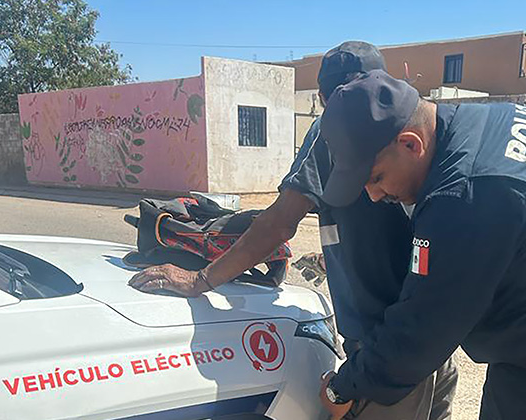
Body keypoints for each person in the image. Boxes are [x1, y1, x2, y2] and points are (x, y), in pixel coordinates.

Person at [129, 41, 457, 420]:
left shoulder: (335, 125)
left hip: (386, 352)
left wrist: (201, 279)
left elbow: (281, 221)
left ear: (323, 97)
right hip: (435, 339)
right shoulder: (420, 126)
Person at [315, 69, 526, 420]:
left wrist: (343, 387)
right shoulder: (492, 121)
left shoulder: (467, 192)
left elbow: (422, 330)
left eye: (376, 178)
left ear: (410, 144)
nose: (374, 196)